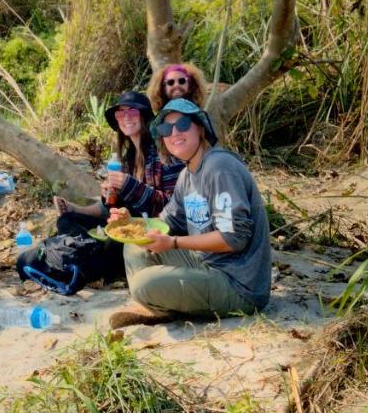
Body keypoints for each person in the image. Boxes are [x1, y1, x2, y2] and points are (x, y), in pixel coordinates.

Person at [106, 98, 271, 329]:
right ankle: (160, 303)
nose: (174, 133)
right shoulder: (186, 174)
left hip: (239, 285)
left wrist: (173, 243)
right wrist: (129, 222)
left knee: (143, 284)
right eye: (165, 129)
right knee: (133, 245)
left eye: (182, 125)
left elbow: (235, 239)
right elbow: (166, 221)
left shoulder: (219, 167)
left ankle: (156, 299)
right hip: (204, 262)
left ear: (200, 128)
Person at [52, 91, 183, 237]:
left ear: (144, 116)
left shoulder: (164, 152)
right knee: (66, 221)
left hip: (155, 232)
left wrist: (130, 186)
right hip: (129, 224)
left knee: (109, 244)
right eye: (120, 114)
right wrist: (110, 194)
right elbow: (121, 207)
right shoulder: (128, 158)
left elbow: (174, 207)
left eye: (132, 112)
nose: (126, 118)